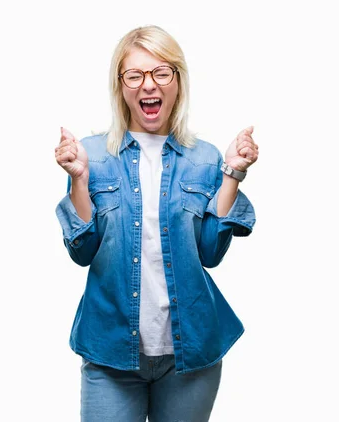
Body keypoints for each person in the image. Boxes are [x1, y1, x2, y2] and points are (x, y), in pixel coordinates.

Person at [54, 24, 258, 421]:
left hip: (190, 352)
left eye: (161, 72)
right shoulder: (91, 156)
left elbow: (211, 253)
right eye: (135, 74)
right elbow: (81, 251)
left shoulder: (204, 158)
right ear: (121, 85)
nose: (149, 84)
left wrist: (232, 173)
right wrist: (79, 178)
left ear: (177, 82)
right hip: (111, 352)